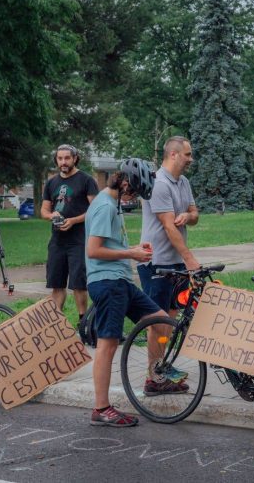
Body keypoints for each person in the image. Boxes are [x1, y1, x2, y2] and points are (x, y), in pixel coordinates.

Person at [86, 158, 188, 427]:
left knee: (159, 319)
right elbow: (93, 250)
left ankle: (155, 378)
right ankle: (101, 408)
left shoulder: (114, 205)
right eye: (134, 192)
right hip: (107, 284)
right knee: (107, 345)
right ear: (124, 182)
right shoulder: (104, 207)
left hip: (120, 281)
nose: (133, 197)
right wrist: (130, 253)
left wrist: (134, 250)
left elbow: (109, 245)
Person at [137, 136, 200, 317]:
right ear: (173, 154)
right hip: (156, 262)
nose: (191, 159)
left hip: (176, 263)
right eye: (187, 155)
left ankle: (167, 347)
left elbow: (195, 215)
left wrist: (188, 216)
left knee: (173, 315)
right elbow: (169, 226)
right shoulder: (158, 183)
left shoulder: (184, 182)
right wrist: (190, 260)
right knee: (157, 320)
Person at [40, 144, 98, 323]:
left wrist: (73, 221)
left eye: (67, 158)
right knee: (57, 285)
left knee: (79, 285)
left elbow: (95, 210)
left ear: (75, 158)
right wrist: (52, 216)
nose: (63, 162)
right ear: (56, 160)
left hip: (78, 241)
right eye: (60, 158)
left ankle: (83, 324)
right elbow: (43, 210)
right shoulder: (52, 182)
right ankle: (57, 326)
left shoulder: (86, 180)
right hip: (57, 241)